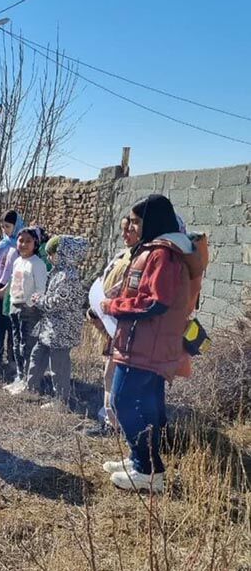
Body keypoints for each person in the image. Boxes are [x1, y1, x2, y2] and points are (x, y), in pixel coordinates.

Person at [100, 194, 197, 493]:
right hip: (146, 344)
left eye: (138, 221)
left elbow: (156, 302)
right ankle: (142, 460)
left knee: (124, 401)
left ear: (152, 221)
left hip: (145, 347)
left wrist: (113, 306)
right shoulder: (160, 251)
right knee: (147, 405)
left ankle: (148, 470)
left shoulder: (162, 255)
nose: (133, 226)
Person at [84, 217, 139, 436]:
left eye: (130, 229)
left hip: (123, 330)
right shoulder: (123, 256)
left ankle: (115, 425)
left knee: (117, 379)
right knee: (109, 375)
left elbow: (123, 294)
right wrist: (95, 310)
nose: (125, 233)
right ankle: (110, 418)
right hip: (110, 327)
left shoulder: (140, 260)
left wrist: (106, 308)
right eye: (123, 229)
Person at [22, 235, 88, 411]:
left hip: (62, 330)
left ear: (62, 254)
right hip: (51, 327)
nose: (49, 257)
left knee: (58, 365)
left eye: (51, 254)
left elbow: (57, 303)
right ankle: (31, 389)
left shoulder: (68, 277)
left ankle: (61, 401)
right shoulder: (58, 273)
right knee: (38, 355)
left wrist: (40, 300)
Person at [5, 227, 49, 393]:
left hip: (29, 310)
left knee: (27, 346)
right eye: (21, 240)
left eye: (28, 241)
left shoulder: (37, 264)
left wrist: (30, 304)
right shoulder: (17, 261)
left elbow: (40, 289)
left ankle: (29, 382)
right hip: (15, 306)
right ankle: (20, 376)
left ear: (35, 243)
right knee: (16, 345)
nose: (23, 244)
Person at [0, 210, 24, 378]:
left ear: (16, 225)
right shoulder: (3, 243)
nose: (5, 229)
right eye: (3, 226)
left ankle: (12, 361)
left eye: (8, 226)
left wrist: (5, 290)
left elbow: (18, 272)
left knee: (11, 326)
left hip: (12, 290)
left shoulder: (21, 245)